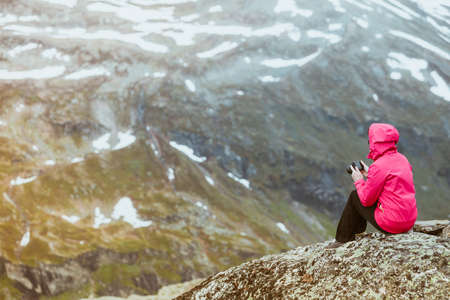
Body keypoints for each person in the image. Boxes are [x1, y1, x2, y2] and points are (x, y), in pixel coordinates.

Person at [329, 123, 417, 247]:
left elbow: (366, 200)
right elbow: (392, 182)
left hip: (393, 223)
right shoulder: (402, 159)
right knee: (367, 195)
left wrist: (358, 180)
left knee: (356, 197)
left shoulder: (379, 165)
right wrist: (371, 173)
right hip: (408, 221)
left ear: (375, 143)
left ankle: (343, 240)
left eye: (370, 140)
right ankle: (354, 235)